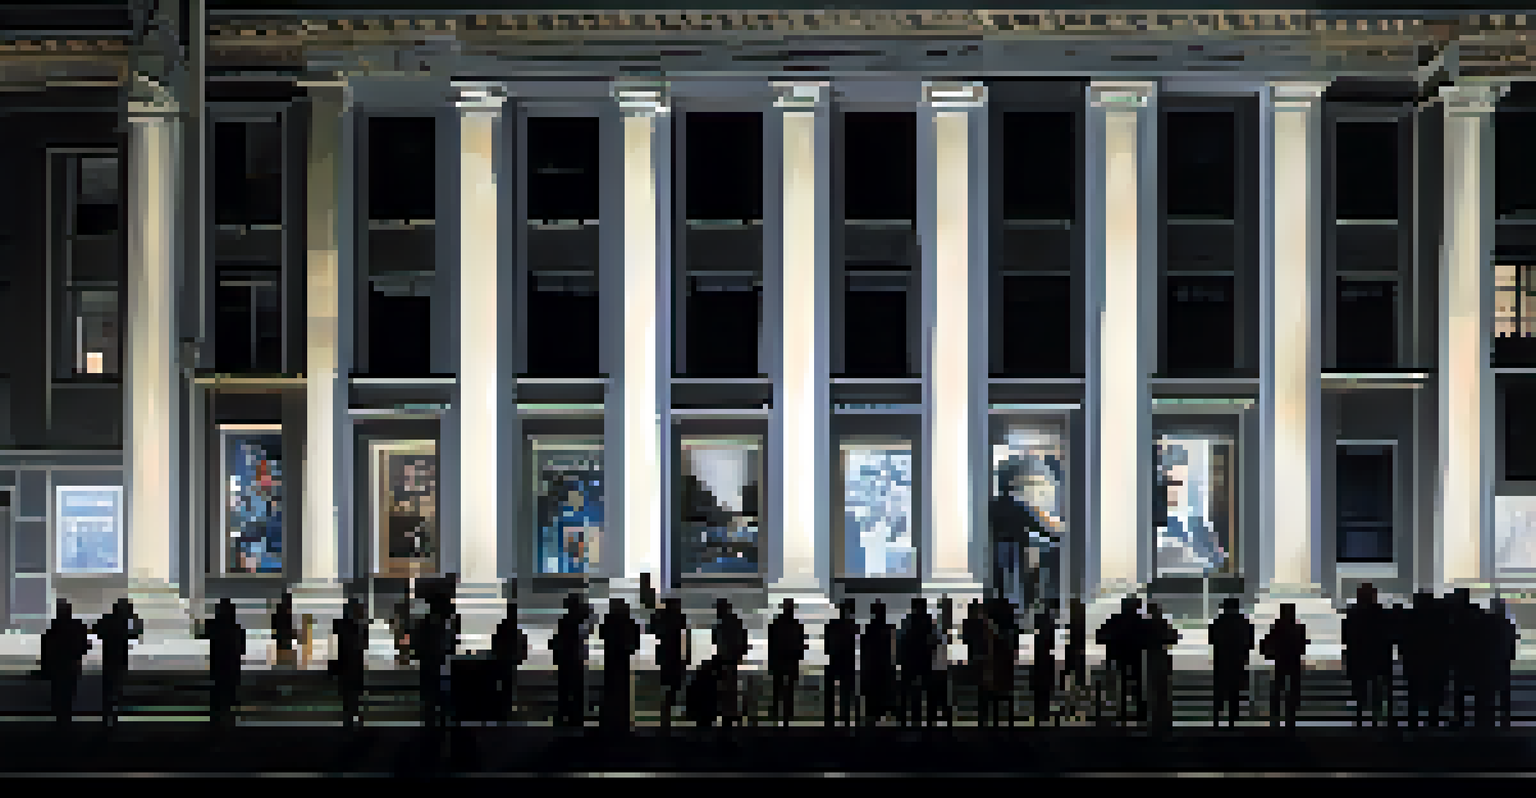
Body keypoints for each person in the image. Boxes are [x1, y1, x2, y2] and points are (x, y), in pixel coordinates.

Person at [1341, 583, 1392, 727]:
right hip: (1377, 656)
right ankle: (1375, 719)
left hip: (1359, 656)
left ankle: (1360, 718)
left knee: (1360, 690)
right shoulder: (1381, 613)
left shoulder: (1352, 613)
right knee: (1376, 689)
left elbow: (1346, 637)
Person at [41, 599, 90, 730]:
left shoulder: (54, 627)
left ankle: (61, 722)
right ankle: (65, 721)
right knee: (68, 696)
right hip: (71, 666)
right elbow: (84, 647)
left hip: (58, 667)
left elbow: (47, 648)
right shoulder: (77, 626)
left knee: (59, 695)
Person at [1097, 596, 1145, 725]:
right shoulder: (1140, 621)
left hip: (1120, 655)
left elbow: (1100, 635)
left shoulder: (1116, 619)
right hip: (1135, 655)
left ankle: (1124, 711)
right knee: (1137, 684)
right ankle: (1140, 711)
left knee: (1123, 684)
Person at [94, 597, 141, 728]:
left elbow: (98, 632)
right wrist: (135, 619)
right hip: (120, 658)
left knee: (108, 688)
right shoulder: (125, 622)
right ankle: (114, 716)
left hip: (109, 657)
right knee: (116, 686)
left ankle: (107, 715)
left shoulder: (108, 620)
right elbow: (136, 633)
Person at [1259, 602, 1308, 729]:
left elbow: (1268, 641)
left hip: (1280, 661)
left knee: (1278, 688)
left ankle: (1276, 716)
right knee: (1292, 689)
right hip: (1293, 661)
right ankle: (1290, 716)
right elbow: (1302, 647)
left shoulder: (1277, 628)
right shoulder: (1298, 628)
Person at [1208, 596, 1254, 727]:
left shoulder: (1217, 622)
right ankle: (1232, 719)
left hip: (1221, 660)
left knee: (1220, 690)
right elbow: (1249, 643)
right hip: (1237, 660)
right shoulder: (1244, 622)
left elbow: (1212, 640)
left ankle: (1217, 717)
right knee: (1234, 691)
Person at [412, 593, 455, 729]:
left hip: (431, 666)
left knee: (430, 704)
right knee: (437, 702)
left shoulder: (427, 624)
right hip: (436, 666)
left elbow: (417, 645)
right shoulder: (439, 626)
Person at [599, 598, 641, 732]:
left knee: (611, 690)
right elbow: (635, 641)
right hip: (623, 659)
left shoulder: (609, 620)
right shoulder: (629, 621)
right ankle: (623, 721)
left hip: (611, 659)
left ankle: (610, 721)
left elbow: (602, 635)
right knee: (623, 691)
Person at [551, 593, 591, 728]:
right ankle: (575, 717)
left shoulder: (566, 621)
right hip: (574, 659)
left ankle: (566, 716)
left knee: (566, 690)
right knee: (575, 690)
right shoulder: (577, 621)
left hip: (567, 659)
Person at [206, 598, 247, 729]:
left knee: (219, 686)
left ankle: (217, 717)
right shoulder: (236, 627)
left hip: (219, 661)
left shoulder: (214, 626)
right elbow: (241, 647)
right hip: (231, 661)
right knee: (230, 687)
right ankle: (230, 714)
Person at [650, 597, 689, 730]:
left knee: (667, 687)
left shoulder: (661, 618)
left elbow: (654, 631)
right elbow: (684, 636)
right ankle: (667, 718)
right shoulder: (678, 618)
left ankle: (665, 719)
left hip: (667, 655)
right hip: (674, 654)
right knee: (672, 688)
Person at [767, 598, 807, 727]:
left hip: (781, 659)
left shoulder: (777, 623)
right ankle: (786, 716)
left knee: (778, 688)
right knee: (788, 689)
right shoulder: (796, 624)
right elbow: (800, 642)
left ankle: (777, 714)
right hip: (790, 659)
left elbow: (772, 643)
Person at [897, 598, 936, 727]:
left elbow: (901, 639)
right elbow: (934, 641)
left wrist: (900, 658)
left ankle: (909, 719)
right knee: (927, 691)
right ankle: (927, 720)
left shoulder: (908, 621)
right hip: (924, 659)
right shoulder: (929, 621)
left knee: (909, 691)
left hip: (910, 659)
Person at [330, 598, 368, 729]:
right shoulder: (353, 626)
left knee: (350, 694)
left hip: (349, 665)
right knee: (352, 694)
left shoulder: (346, 624)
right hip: (350, 664)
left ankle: (351, 718)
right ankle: (352, 718)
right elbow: (358, 645)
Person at [712, 598, 749, 729]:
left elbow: (716, 640)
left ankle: (727, 714)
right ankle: (732, 714)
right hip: (731, 659)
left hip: (726, 659)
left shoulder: (721, 624)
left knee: (725, 687)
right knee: (731, 687)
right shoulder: (735, 622)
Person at [490, 598, 529, 726]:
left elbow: (495, 643)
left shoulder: (503, 626)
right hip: (509, 660)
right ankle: (505, 710)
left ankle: (501, 710)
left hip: (503, 660)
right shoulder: (514, 627)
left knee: (502, 686)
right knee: (508, 686)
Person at [1143, 604, 1179, 732]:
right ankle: (1165, 718)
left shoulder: (1146, 625)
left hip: (1151, 656)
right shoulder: (1164, 623)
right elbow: (1173, 638)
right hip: (1162, 656)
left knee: (1153, 688)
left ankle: (1154, 719)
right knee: (1163, 689)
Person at [984, 598, 1019, 727]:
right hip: (1005, 662)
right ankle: (1008, 720)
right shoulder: (1011, 631)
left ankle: (993, 720)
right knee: (1007, 690)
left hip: (996, 663)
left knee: (994, 691)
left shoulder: (991, 630)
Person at [861, 600, 897, 727]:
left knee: (873, 701)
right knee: (882, 698)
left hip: (873, 669)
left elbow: (866, 650)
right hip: (882, 669)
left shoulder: (869, 629)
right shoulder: (887, 629)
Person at [824, 599, 859, 728]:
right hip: (846, 662)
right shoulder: (851, 625)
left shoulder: (832, 624)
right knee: (845, 693)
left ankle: (830, 720)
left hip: (835, 660)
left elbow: (827, 647)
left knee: (833, 694)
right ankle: (844, 720)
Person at [1030, 608, 1057, 726]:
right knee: (1045, 690)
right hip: (1046, 662)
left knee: (1040, 690)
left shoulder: (1038, 639)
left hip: (1040, 664)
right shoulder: (1046, 640)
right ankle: (1044, 714)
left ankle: (1039, 714)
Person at [272, 591, 297, 669]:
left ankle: (282, 666)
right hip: (284, 635)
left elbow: (274, 623)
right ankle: (284, 666)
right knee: (284, 653)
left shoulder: (280, 610)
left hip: (282, 635)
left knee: (282, 653)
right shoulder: (286, 610)